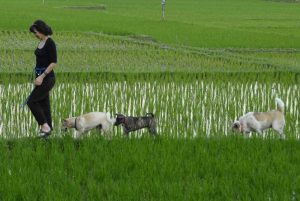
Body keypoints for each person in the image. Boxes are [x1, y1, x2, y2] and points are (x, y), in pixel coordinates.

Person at [28, 20, 57, 137]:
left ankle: (44, 126)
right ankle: (49, 130)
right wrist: (37, 77)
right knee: (44, 103)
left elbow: (54, 62)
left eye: (36, 32)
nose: (35, 35)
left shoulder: (50, 43)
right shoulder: (41, 41)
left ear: (41, 30)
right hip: (39, 76)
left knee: (32, 101)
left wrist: (42, 76)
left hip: (48, 77)